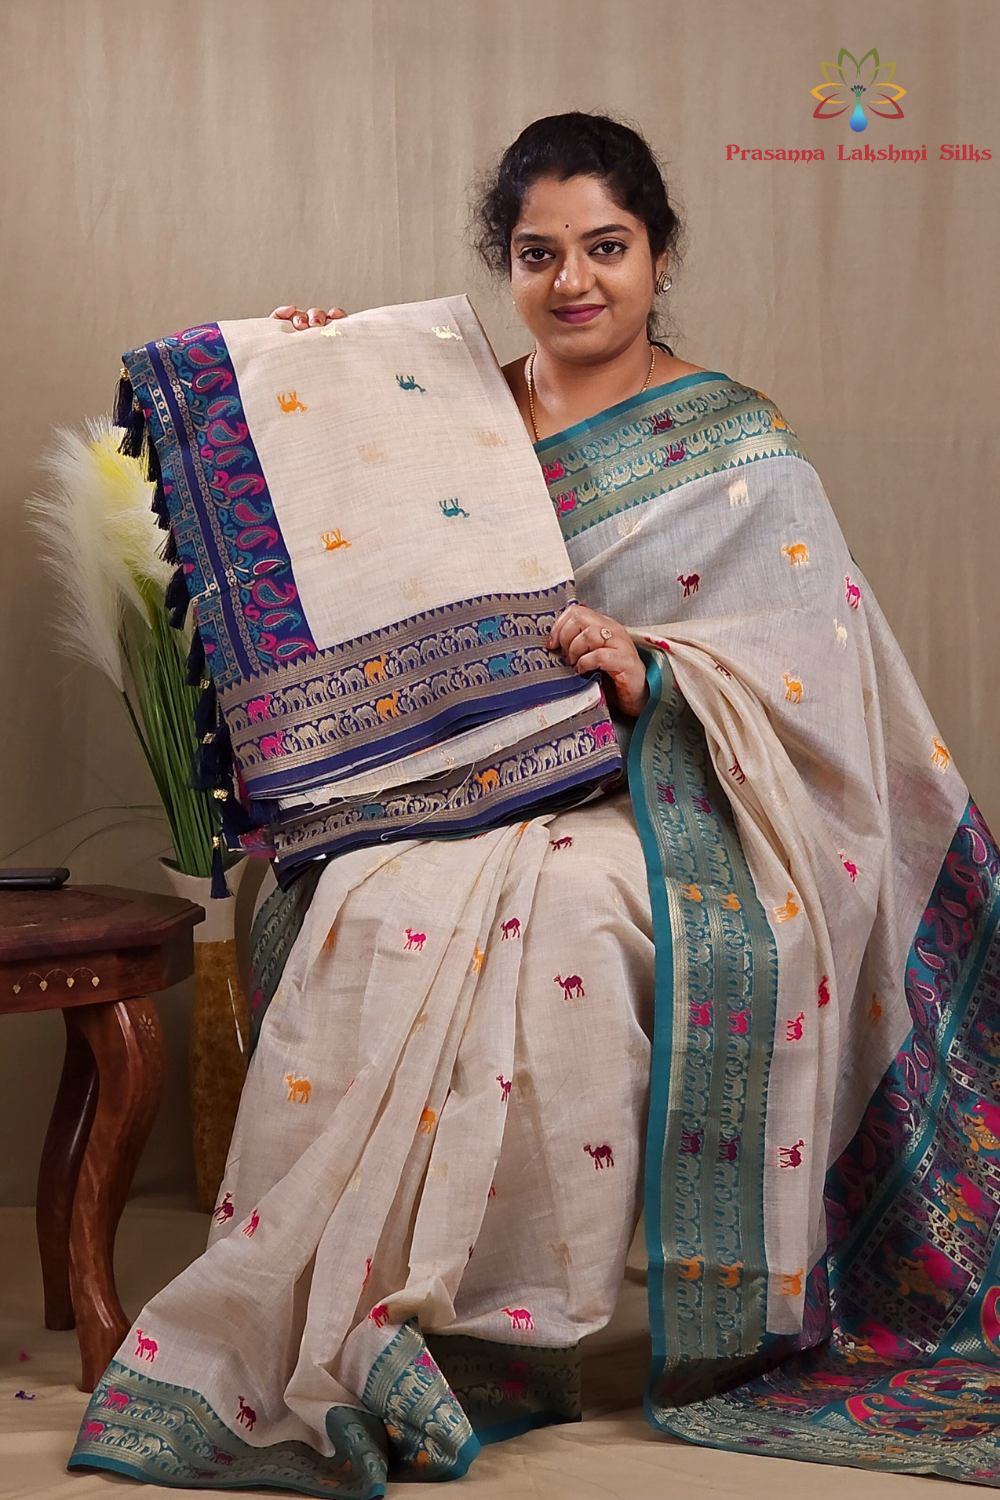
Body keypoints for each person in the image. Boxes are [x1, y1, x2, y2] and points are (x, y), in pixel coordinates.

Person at [70, 112, 1000, 1494]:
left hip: (674, 797)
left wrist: (650, 666)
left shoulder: (735, 441)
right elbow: (329, 533)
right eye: (538, 253)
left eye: (606, 248)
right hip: (457, 792)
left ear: (660, 254)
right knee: (374, 903)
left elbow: (811, 670)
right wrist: (306, 381)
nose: (574, 282)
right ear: (504, 264)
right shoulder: (436, 407)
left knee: (566, 912)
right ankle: (381, 1317)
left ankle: (506, 1330)